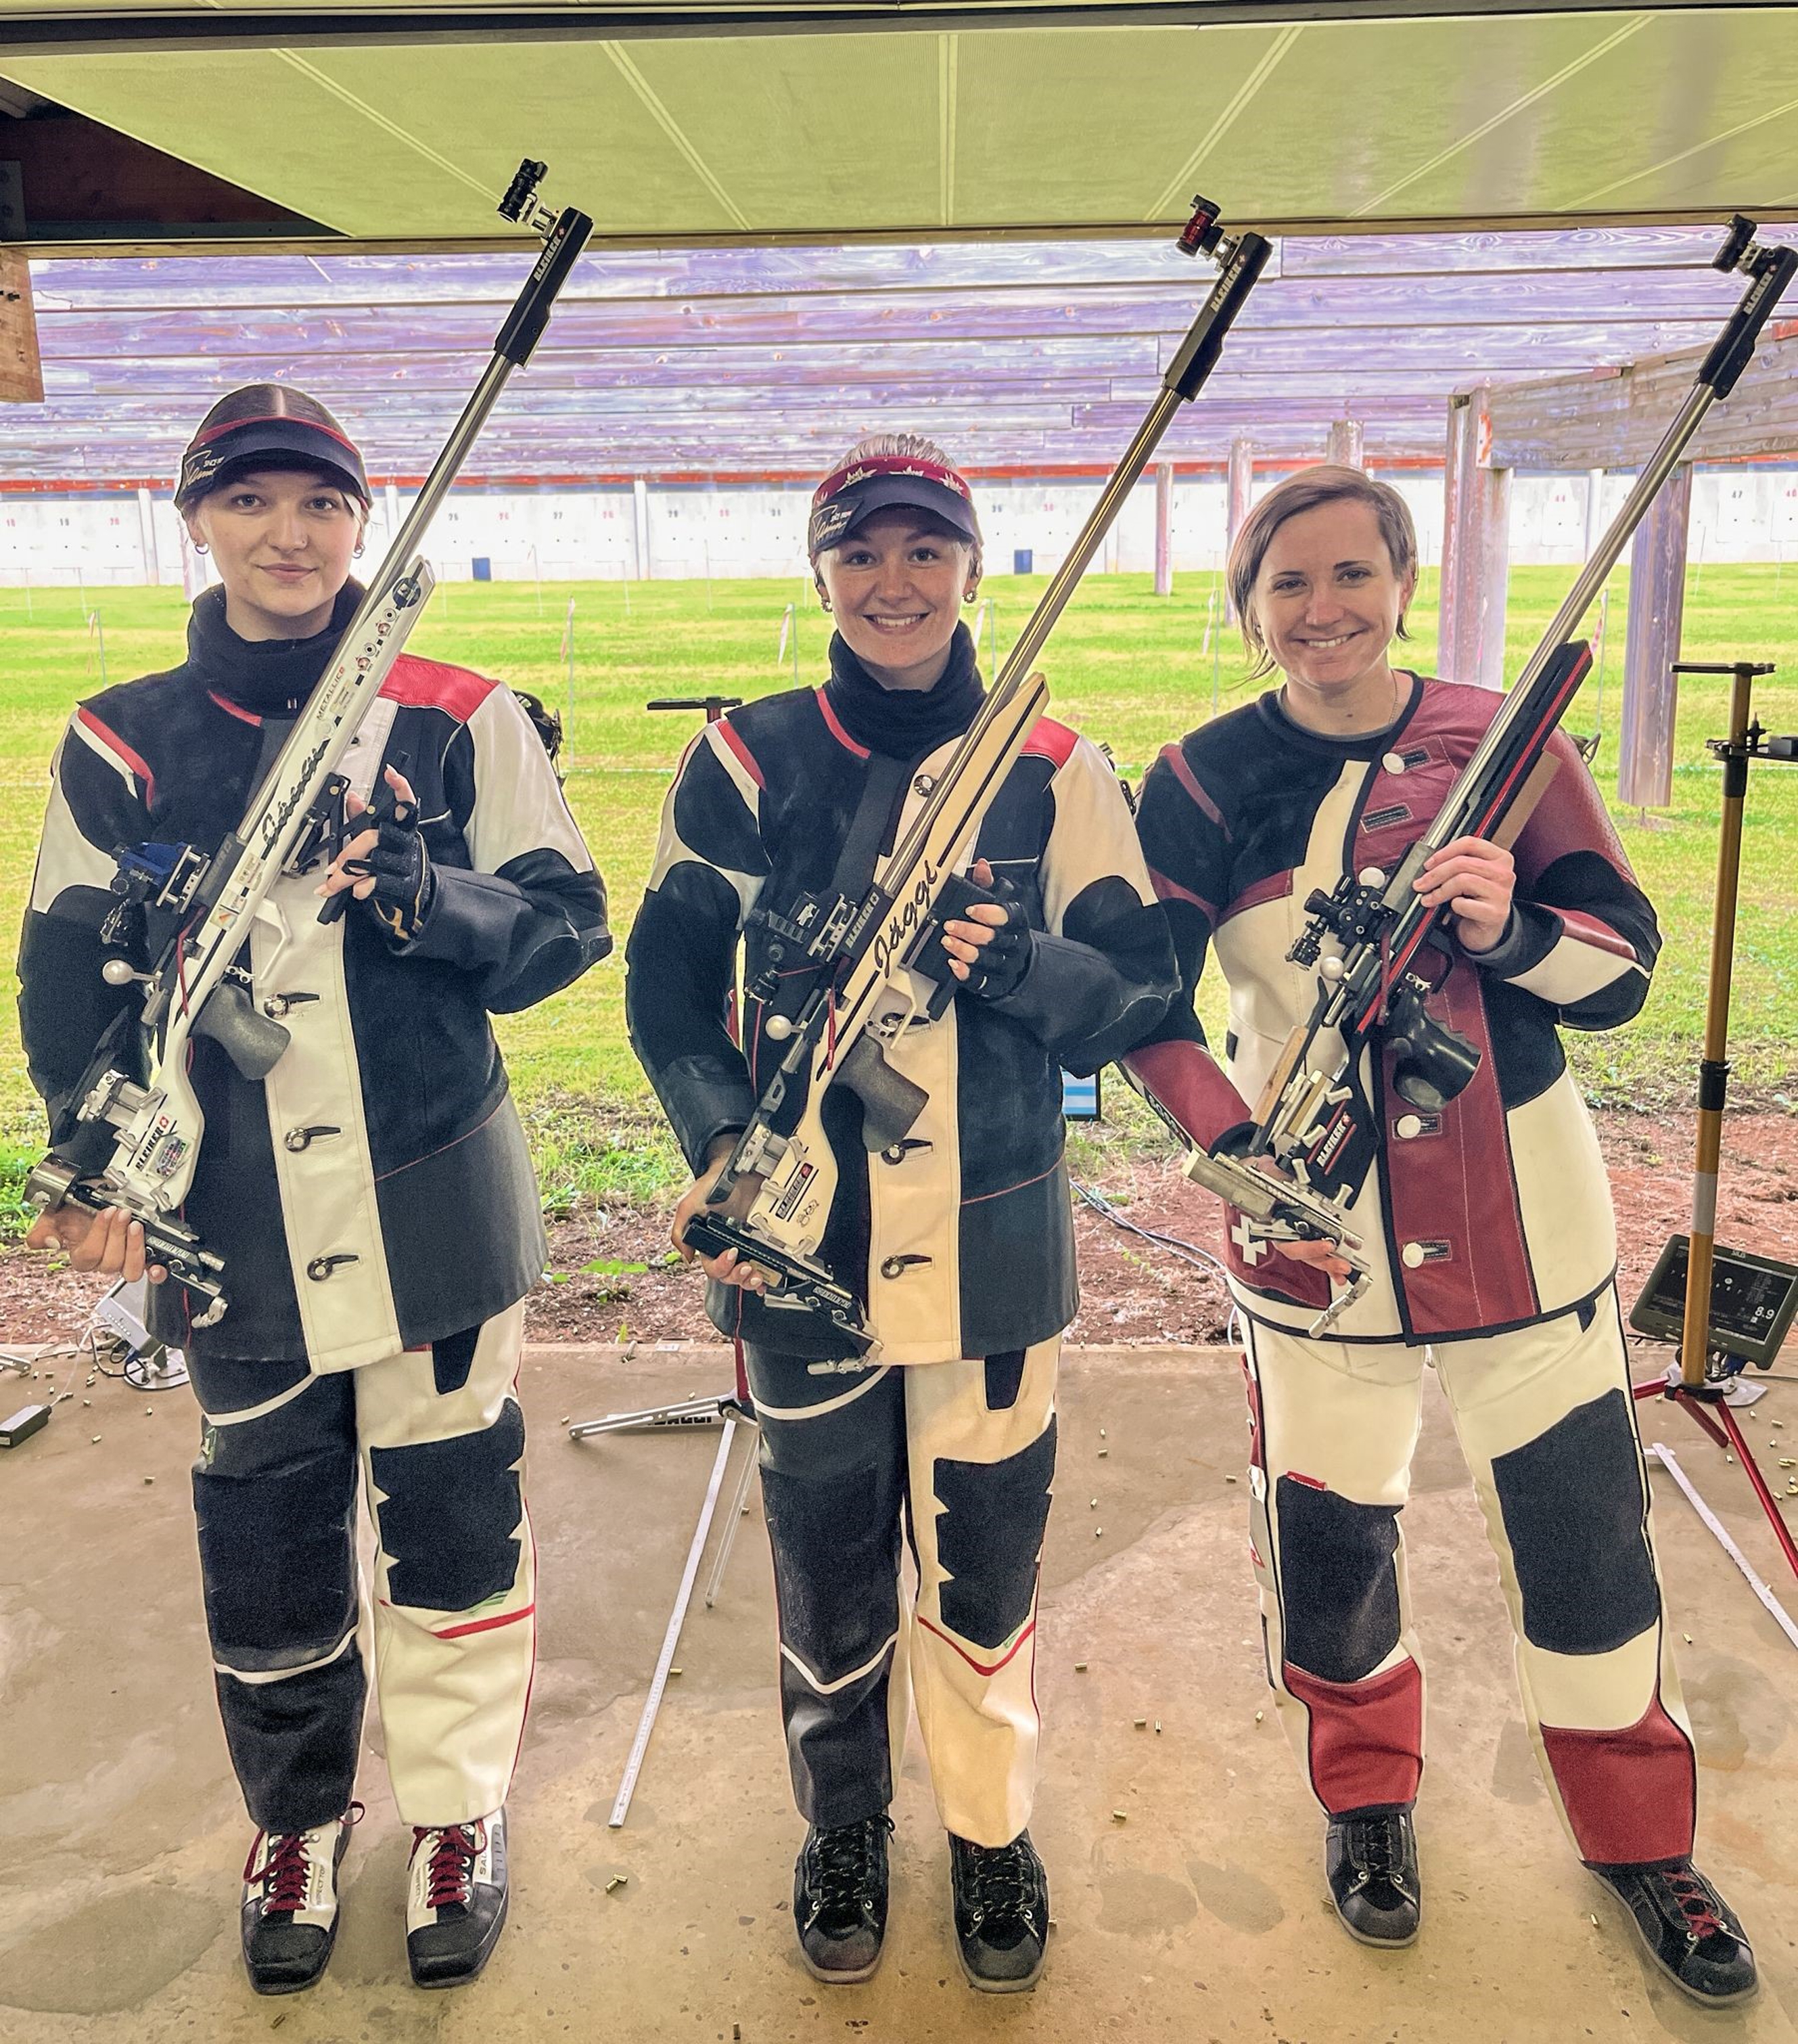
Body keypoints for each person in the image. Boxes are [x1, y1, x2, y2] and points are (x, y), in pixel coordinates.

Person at [1123, 463, 1755, 2006]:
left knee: (1589, 1549)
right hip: (1315, 1228)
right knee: (1335, 1541)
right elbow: (1143, 999)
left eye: (1351, 573)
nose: (1322, 609)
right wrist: (1234, 1149)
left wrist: (1508, 927)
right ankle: (1368, 1804)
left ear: (1403, 579)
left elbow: (1621, 974)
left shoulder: (1507, 747)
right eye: (1288, 583)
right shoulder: (1201, 777)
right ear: (1250, 608)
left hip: (1529, 1224)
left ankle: (1639, 1840)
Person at [18, 384, 611, 1995]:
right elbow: (62, 965)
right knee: (268, 1524)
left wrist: (434, 901)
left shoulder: (457, 707)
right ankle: (294, 1817)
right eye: (253, 502)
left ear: (364, 523)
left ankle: (458, 1812)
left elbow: (567, 923)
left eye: (324, 504)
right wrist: (86, 1144)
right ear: (196, 519)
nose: (292, 536)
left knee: (454, 1514)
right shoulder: (122, 735)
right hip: (232, 1224)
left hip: (433, 1197)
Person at [626, 434, 1174, 1993]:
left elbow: (1139, 993)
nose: (894, 581)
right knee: (823, 1552)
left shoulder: (1057, 764)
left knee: (987, 1560)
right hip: (800, 1245)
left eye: (925, 549)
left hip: (996, 1241)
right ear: (822, 571)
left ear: (972, 569)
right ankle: (847, 1821)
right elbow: (664, 981)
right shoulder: (745, 758)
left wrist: (1014, 965)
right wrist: (726, 1146)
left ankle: (991, 1825)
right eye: (862, 551)